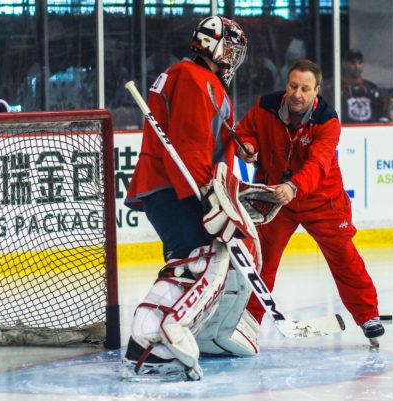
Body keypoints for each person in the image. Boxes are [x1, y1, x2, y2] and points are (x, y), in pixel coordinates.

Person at [122, 16, 254, 381]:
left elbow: (202, 142)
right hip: (174, 187)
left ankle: (162, 339)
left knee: (190, 260)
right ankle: (146, 344)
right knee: (197, 261)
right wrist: (209, 200)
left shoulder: (194, 78)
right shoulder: (197, 80)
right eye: (232, 48)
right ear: (216, 47)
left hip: (168, 185)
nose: (235, 57)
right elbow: (188, 147)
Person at [235, 59, 385, 343]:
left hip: (322, 201)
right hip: (276, 201)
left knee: (344, 257)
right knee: (261, 261)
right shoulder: (266, 106)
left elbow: (318, 164)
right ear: (286, 85)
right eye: (293, 86)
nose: (297, 94)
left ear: (317, 91)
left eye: (305, 88)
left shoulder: (328, 120)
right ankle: (248, 322)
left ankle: (368, 315)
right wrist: (247, 147)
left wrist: (294, 186)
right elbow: (244, 132)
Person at [341, 49, 387, 123]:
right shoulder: (335, 88)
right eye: (352, 63)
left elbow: (382, 115)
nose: (357, 66)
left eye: (360, 63)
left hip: (369, 132)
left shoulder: (372, 89)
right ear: (344, 64)